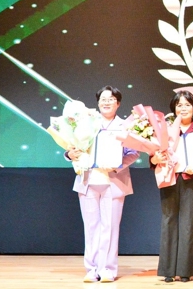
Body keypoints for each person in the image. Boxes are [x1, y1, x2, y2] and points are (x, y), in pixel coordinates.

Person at [65, 85, 139, 283]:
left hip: (113, 181)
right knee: (91, 227)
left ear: (118, 103)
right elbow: (72, 146)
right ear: (98, 103)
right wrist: (70, 154)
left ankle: (107, 269)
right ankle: (91, 269)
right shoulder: (86, 122)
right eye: (103, 99)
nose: (106, 102)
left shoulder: (125, 125)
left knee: (110, 227)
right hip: (88, 180)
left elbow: (134, 152)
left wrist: (118, 165)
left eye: (111, 99)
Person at [150, 91, 193, 283]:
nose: (183, 108)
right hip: (169, 178)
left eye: (187, 104)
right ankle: (168, 270)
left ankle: (185, 270)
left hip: (190, 179)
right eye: (179, 105)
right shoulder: (165, 129)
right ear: (174, 108)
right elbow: (154, 155)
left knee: (188, 222)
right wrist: (155, 159)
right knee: (168, 220)